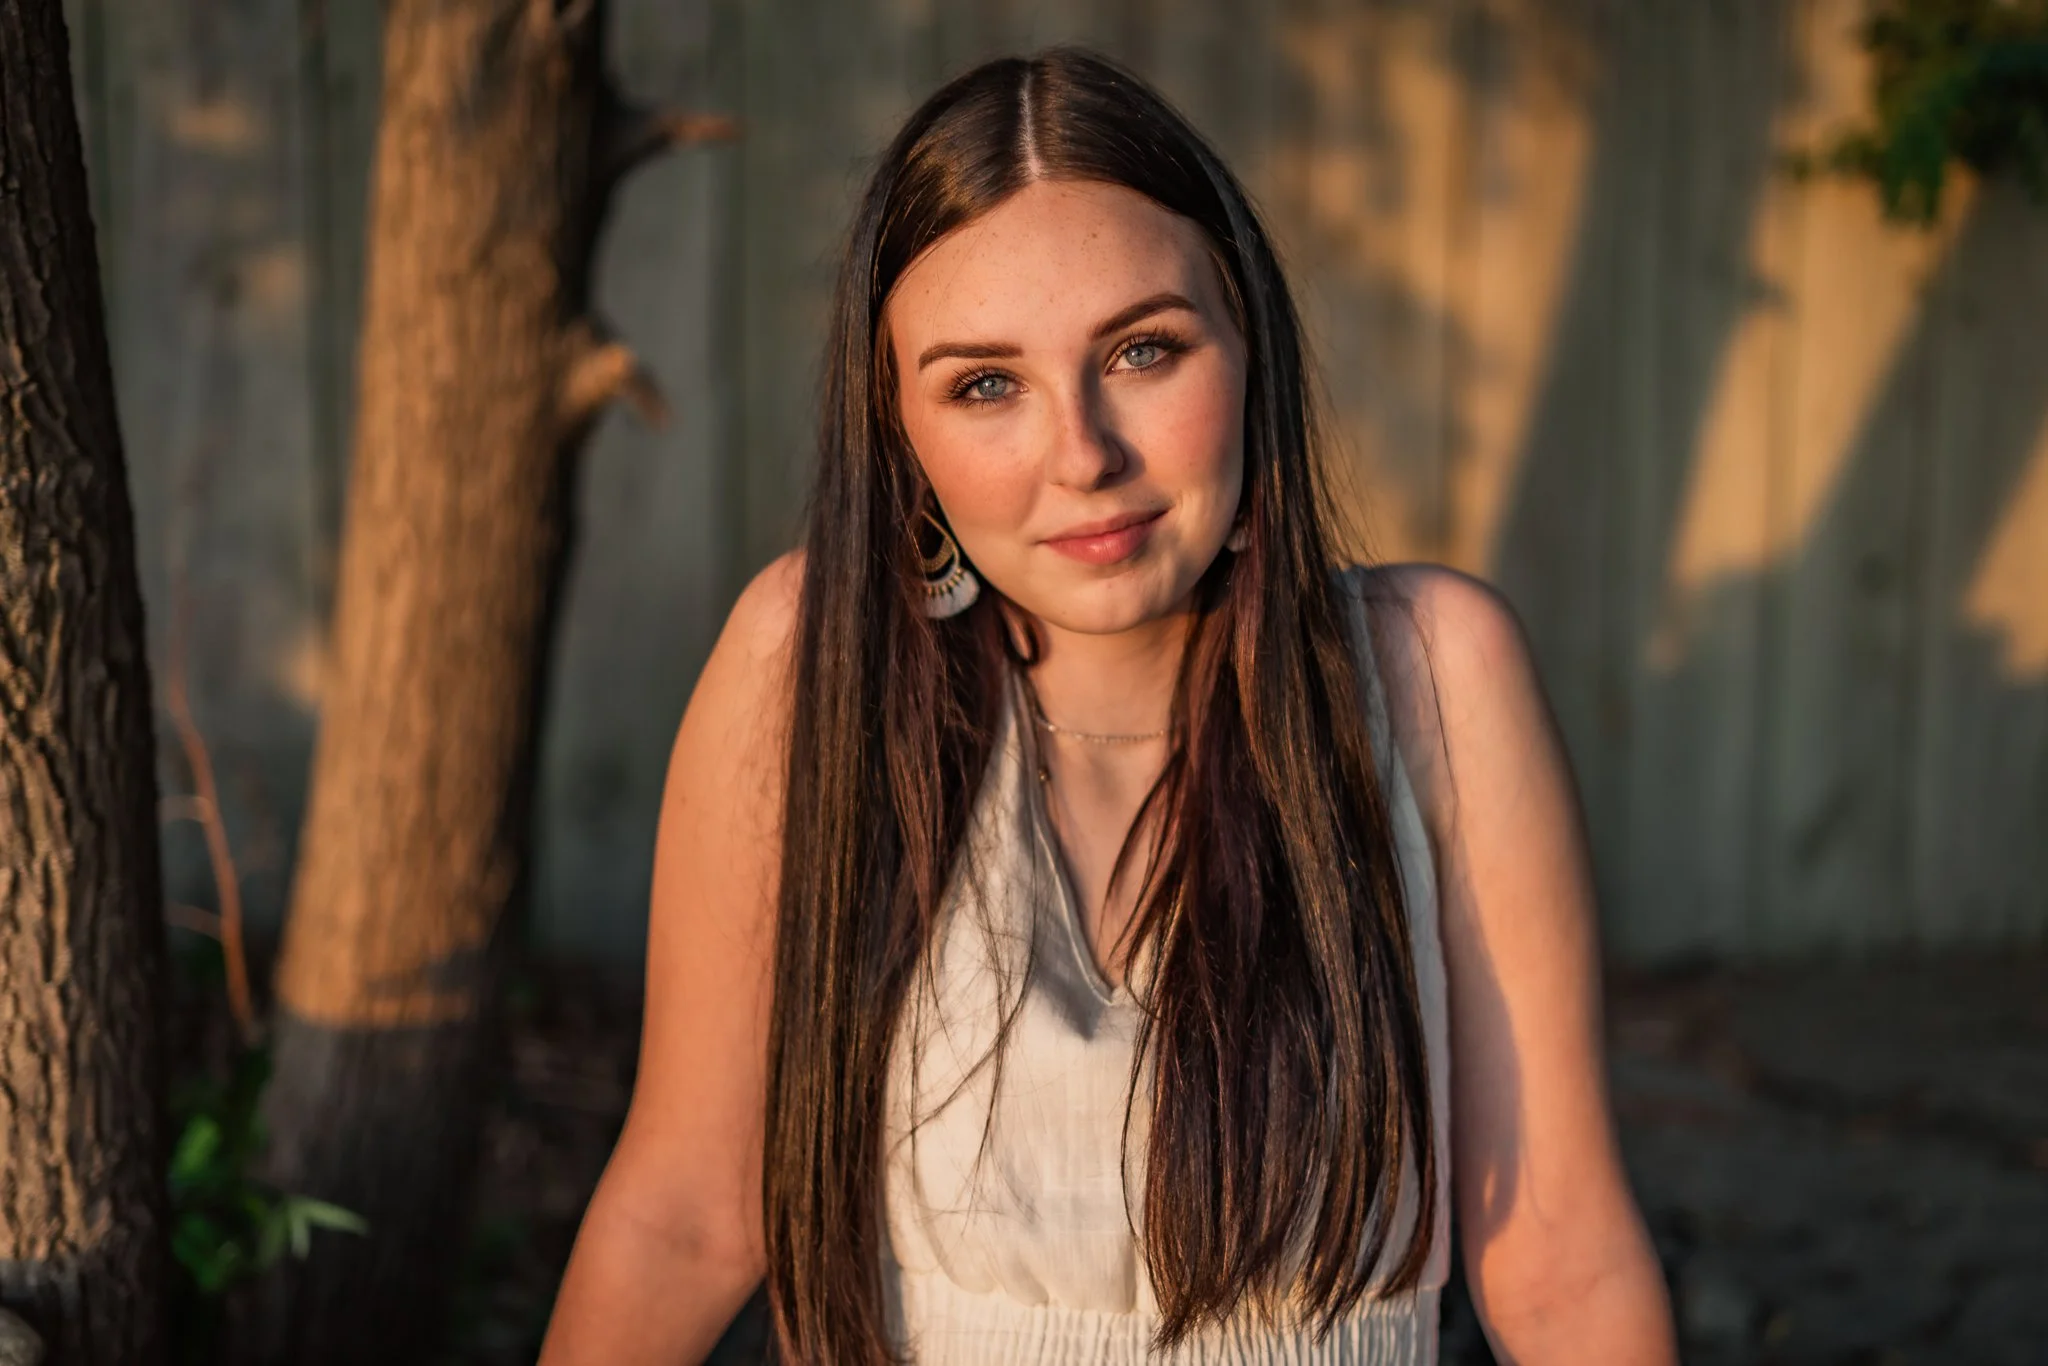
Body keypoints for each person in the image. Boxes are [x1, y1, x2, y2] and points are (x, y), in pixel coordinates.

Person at [537, 46, 1677, 1366]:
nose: (1083, 453)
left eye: (1142, 351)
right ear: (896, 426)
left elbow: (1562, 1261)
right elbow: (682, 1215)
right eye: (985, 384)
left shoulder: (1432, 676)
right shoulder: (811, 673)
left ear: (1249, 346)